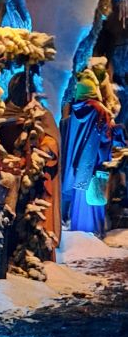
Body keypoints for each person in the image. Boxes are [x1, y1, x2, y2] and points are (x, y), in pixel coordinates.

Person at [0, 71, 61, 256]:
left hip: (35, 177)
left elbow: (52, 141)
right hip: (10, 174)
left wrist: (41, 152)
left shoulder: (41, 115)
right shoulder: (3, 112)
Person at [61, 68, 125, 234]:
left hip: (77, 169)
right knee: (93, 201)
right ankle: (92, 235)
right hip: (93, 166)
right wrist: (119, 133)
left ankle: (79, 234)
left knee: (79, 203)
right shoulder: (100, 110)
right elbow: (105, 136)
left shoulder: (73, 110)